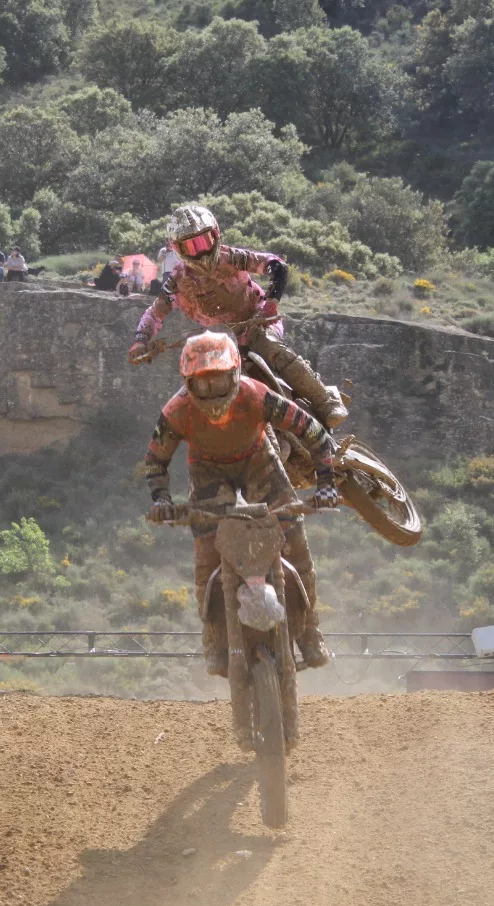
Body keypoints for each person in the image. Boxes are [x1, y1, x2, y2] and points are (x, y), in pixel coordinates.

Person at [143, 331, 341, 694]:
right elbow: (155, 462)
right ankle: (214, 639)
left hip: (258, 462)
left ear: (235, 374)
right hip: (207, 472)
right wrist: (161, 500)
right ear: (188, 383)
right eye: (203, 383)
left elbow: (313, 433)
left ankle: (310, 631)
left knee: (294, 540)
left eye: (219, 378)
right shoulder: (176, 411)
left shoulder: (257, 395)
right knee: (207, 553)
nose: (213, 390)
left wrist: (326, 484)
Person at [128, 203, 348, 429]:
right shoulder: (177, 281)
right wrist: (140, 341)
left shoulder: (232, 257)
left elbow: (277, 265)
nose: (201, 251)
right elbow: (155, 313)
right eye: (192, 247)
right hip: (223, 342)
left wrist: (271, 304)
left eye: (204, 241)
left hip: (258, 321)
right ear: (178, 249)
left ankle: (325, 400)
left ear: (216, 235)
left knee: (269, 346)